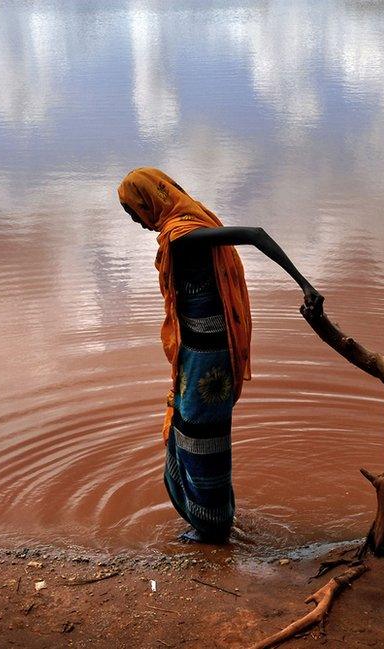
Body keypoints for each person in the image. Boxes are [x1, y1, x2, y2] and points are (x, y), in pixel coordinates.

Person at [117, 167, 323, 543]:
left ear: (149, 202)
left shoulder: (184, 236)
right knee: (188, 432)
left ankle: (212, 527)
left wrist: (304, 283)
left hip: (207, 361)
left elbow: (254, 235)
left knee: (201, 439)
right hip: (197, 355)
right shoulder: (183, 228)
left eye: (134, 211)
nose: (135, 220)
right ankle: (210, 520)